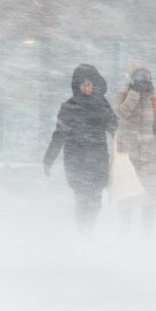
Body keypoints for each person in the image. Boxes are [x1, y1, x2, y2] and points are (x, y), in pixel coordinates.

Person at [43, 64, 118, 230]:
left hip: (98, 159)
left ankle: (88, 229)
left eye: (90, 83)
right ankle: (83, 232)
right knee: (83, 198)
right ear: (78, 85)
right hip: (76, 160)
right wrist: (49, 158)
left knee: (96, 199)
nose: (87, 87)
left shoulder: (101, 105)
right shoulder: (69, 107)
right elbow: (59, 134)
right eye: (84, 84)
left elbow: (114, 127)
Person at [113, 66, 156, 231]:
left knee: (150, 197)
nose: (144, 84)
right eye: (140, 80)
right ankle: (124, 231)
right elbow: (122, 113)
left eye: (146, 80)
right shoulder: (121, 96)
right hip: (128, 156)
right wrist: (134, 94)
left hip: (148, 158)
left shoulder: (152, 101)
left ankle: (148, 233)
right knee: (127, 196)